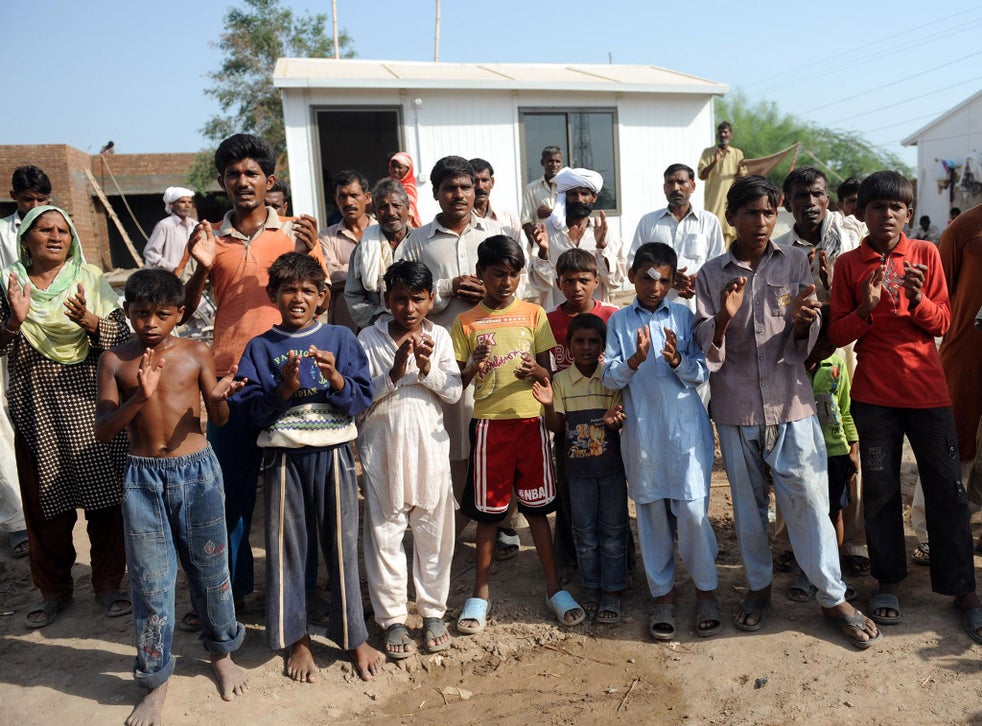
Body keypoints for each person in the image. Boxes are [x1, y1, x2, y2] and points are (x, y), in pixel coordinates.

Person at [694, 176, 880, 648]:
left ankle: (831, 595)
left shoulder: (797, 261)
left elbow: (808, 336)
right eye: (751, 213)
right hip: (736, 408)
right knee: (750, 508)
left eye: (769, 213)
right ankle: (759, 589)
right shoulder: (712, 275)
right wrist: (723, 318)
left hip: (791, 403)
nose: (761, 222)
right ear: (731, 217)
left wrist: (804, 324)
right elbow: (704, 348)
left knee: (810, 501)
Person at [828, 171, 981, 645]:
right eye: (877, 207)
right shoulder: (850, 265)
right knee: (880, 488)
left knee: (948, 492)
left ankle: (962, 590)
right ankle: (887, 582)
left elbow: (944, 320)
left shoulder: (926, 254)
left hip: (927, 392)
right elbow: (837, 334)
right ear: (862, 213)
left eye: (897, 208)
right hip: (874, 398)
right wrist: (866, 309)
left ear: (908, 214)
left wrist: (916, 299)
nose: (887, 215)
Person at [95, 269, 248, 725]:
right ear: (128, 313)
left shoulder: (196, 352)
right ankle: (155, 678)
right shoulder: (114, 361)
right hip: (143, 480)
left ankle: (221, 652)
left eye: (163, 314)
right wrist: (138, 397)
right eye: (141, 313)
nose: (151, 323)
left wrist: (220, 398)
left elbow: (217, 419)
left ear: (180, 313)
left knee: (211, 566)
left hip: (198, 472)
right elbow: (105, 431)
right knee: (150, 581)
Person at [181, 133, 325, 611]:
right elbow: (181, 312)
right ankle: (235, 593)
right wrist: (200, 268)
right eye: (233, 175)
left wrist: (312, 250)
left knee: (298, 493)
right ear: (222, 182)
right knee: (232, 493)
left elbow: (318, 298)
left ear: (269, 181)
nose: (243, 182)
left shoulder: (294, 234)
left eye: (252, 174)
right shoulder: (208, 238)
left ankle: (301, 592)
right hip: (231, 381)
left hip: (290, 375)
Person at [234, 252, 383, 682]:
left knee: (340, 545)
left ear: (322, 296)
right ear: (273, 296)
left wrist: (335, 380)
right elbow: (249, 412)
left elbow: (361, 399)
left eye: (306, 291)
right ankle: (297, 640)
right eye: (288, 290)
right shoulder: (261, 348)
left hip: (333, 453)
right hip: (283, 458)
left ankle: (354, 636)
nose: (297, 299)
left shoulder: (340, 338)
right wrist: (284, 389)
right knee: (287, 549)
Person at [0, 205, 132, 628]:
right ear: (26, 239)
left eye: (63, 230)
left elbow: (124, 340)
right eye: (45, 230)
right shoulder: (7, 284)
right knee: (43, 510)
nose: (56, 237)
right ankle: (54, 591)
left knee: (106, 504)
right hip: (35, 409)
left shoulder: (90, 279)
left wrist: (92, 322)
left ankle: (108, 585)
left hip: (90, 407)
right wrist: (14, 322)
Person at [451, 235, 584, 634]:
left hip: (531, 425)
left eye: (513, 274)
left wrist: (536, 373)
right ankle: (480, 594)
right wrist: (474, 366)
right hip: (490, 426)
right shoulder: (466, 321)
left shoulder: (533, 314)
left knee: (538, 510)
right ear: (481, 275)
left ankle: (552, 587)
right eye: (497, 274)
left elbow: (549, 374)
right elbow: (456, 383)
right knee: (489, 515)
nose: (506, 282)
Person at [396, 156, 519, 551]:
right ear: (436, 194)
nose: (460, 195)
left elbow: (519, 281)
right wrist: (447, 287)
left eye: (466, 187)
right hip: (447, 359)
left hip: (499, 350)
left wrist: (491, 289)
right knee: (457, 439)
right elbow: (403, 298)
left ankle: (506, 523)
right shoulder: (418, 240)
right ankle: (456, 519)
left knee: (502, 429)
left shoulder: (496, 230)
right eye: (450, 188)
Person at [605, 243, 721, 640]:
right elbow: (608, 377)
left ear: (673, 282)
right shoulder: (619, 322)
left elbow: (701, 373)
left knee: (691, 513)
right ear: (633, 276)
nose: (654, 287)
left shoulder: (685, 317)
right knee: (652, 516)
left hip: (685, 432)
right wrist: (634, 361)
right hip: (643, 434)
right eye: (646, 278)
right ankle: (663, 598)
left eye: (664, 280)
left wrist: (676, 360)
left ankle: (706, 590)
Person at [358, 260, 462, 660]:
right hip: (382, 447)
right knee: (385, 534)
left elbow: (452, 392)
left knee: (434, 531)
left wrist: (425, 369)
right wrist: (396, 372)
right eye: (399, 299)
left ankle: (433, 611)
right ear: (386, 299)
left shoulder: (441, 336)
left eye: (417, 299)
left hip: (429, 447)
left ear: (431, 300)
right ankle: (393, 619)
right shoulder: (368, 337)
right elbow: (358, 399)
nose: (409, 308)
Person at [773, 168, 869, 578]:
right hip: (797, 354)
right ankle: (790, 538)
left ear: (827, 197)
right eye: (800, 196)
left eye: (816, 194)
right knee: (791, 442)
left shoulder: (852, 239)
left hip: (845, 353)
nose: (809, 203)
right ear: (787, 202)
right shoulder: (777, 249)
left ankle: (855, 541)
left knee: (848, 439)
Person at [533, 313, 627, 625]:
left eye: (593, 341)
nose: (586, 347)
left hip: (612, 470)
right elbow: (557, 426)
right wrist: (548, 405)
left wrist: (616, 422)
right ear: (568, 346)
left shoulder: (611, 378)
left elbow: (621, 420)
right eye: (579, 341)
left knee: (613, 531)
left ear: (603, 346)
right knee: (584, 533)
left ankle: (613, 590)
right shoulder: (559, 381)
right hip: (577, 474)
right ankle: (591, 588)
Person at [545, 248, 619, 566]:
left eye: (584, 280)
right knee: (570, 492)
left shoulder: (612, 317)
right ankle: (572, 560)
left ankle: (619, 560)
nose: (577, 287)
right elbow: (545, 370)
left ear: (596, 282)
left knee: (612, 495)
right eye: (569, 280)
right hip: (568, 419)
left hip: (608, 420)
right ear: (558, 282)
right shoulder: (547, 321)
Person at [786, 312, 860, 602]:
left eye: (831, 344)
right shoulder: (791, 367)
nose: (824, 349)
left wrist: (853, 449)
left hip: (835, 452)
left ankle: (832, 571)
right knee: (804, 512)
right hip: (802, 453)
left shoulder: (837, 363)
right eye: (820, 342)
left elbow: (845, 408)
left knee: (833, 513)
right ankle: (807, 571)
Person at [0, 165, 49, 559]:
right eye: (27, 201)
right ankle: (17, 522)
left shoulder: (57, 229)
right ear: (15, 198)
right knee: (2, 429)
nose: (34, 207)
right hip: (8, 331)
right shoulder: (2, 233)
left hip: (50, 343)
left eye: (41, 201)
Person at [938, 203, 982, 554]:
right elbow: (940, 294)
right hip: (966, 354)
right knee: (953, 440)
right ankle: (931, 532)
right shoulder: (966, 229)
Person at [629, 163, 725, 311]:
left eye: (681, 182)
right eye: (670, 183)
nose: (675, 188)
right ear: (664, 188)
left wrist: (698, 280)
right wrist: (665, 278)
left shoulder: (709, 221)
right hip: (655, 310)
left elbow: (719, 264)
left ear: (692, 185)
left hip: (698, 308)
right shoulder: (649, 222)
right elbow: (633, 263)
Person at [531, 167, 626, 310]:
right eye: (573, 194)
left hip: (594, 318)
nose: (579, 199)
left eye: (584, 194)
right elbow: (539, 284)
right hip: (556, 314)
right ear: (564, 196)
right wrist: (543, 253)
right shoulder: (546, 230)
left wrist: (601, 247)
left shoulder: (605, 231)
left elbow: (615, 281)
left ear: (594, 197)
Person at [345, 179, 415, 330]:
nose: (391, 212)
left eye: (396, 205)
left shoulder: (420, 242)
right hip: (375, 329)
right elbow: (353, 295)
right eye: (383, 207)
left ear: (407, 208)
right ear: (375, 213)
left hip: (417, 326)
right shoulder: (363, 248)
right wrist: (379, 318)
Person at [319, 170, 374, 331]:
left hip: (380, 319)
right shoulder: (326, 236)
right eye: (342, 196)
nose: (348, 202)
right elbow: (329, 276)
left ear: (367, 197)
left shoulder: (381, 232)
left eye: (354, 195)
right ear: (336, 199)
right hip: (345, 322)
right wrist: (370, 270)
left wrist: (346, 271)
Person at [697, 121, 747, 242]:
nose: (723, 135)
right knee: (712, 233)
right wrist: (714, 161)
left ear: (731, 135)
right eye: (720, 133)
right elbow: (701, 175)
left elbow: (742, 178)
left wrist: (740, 169)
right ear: (717, 135)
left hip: (731, 201)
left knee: (732, 233)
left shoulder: (737, 153)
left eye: (725, 132)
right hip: (713, 203)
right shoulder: (708, 152)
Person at [143, 187, 197, 272]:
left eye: (190, 202)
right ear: (171, 205)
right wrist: (172, 268)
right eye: (182, 202)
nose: (187, 205)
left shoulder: (195, 225)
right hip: (170, 277)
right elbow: (150, 252)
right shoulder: (164, 225)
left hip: (192, 277)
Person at [521, 145, 563, 249]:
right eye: (550, 161)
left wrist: (550, 212)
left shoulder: (567, 188)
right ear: (542, 162)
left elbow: (571, 216)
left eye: (558, 161)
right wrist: (536, 247)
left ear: (561, 164)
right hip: (540, 246)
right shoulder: (531, 189)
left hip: (563, 244)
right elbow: (526, 222)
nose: (554, 165)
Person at [388, 151, 422, 228]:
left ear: (408, 170)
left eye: (399, 167)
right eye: (393, 166)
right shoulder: (387, 183)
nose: (396, 170)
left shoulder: (409, 187)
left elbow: (409, 207)